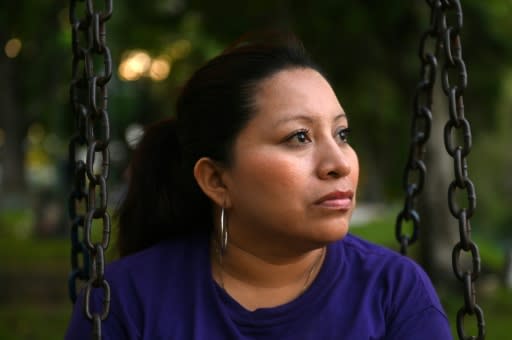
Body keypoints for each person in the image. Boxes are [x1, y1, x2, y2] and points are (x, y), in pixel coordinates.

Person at [66, 31, 453, 339]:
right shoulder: (125, 302)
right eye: (299, 137)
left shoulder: (393, 293)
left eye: (342, 133)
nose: (339, 164)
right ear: (216, 180)